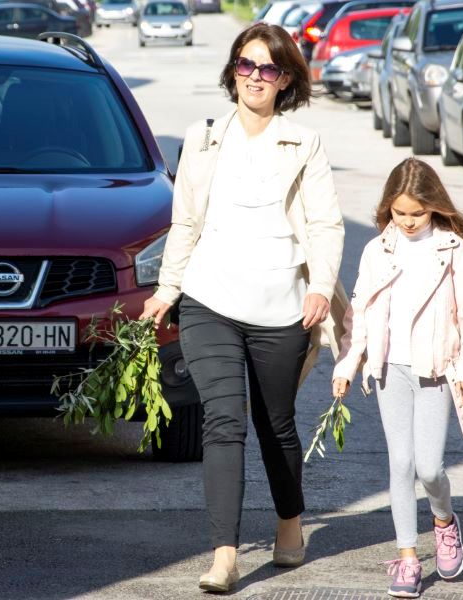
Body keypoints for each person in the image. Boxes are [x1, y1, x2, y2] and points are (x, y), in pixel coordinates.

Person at [139, 22, 346, 594]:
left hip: (282, 307)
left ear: (286, 81)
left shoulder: (304, 144)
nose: (255, 76)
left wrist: (320, 287)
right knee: (224, 422)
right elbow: (185, 222)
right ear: (233, 71)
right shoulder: (202, 138)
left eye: (269, 68)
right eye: (246, 64)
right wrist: (167, 290)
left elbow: (326, 224)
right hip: (210, 300)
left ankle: (289, 521)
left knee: (275, 424)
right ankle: (225, 556)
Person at [332, 158, 463, 598]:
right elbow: (360, 314)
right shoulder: (377, 250)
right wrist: (347, 365)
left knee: (429, 468)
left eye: (417, 213)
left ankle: (444, 521)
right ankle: (407, 557)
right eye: (399, 212)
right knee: (401, 464)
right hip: (389, 370)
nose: (408, 221)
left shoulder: (450, 248)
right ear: (388, 207)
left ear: (433, 206)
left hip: (435, 372)